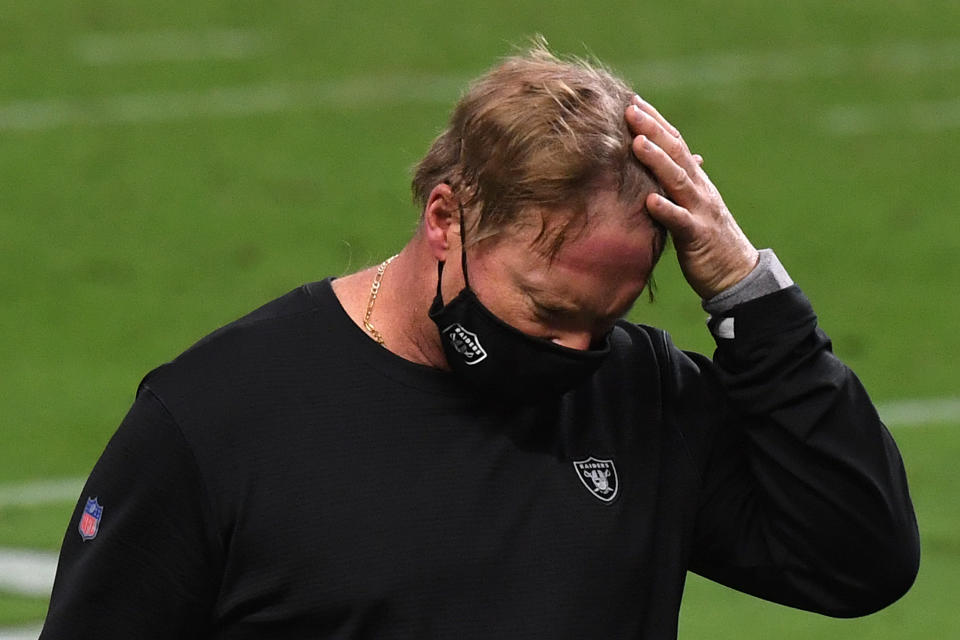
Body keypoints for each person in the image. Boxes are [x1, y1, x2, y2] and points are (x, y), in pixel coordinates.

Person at [40, 44, 919, 639]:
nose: (575, 354)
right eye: (543, 310)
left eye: (604, 322)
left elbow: (858, 560)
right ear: (445, 217)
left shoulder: (641, 400)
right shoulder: (216, 420)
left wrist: (749, 299)